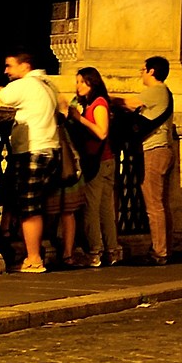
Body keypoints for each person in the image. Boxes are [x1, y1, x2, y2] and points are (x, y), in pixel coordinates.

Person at [0, 51, 63, 273]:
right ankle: (30, 252)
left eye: (10, 66)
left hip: (32, 150)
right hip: (49, 149)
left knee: (29, 207)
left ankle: (34, 259)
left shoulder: (24, 85)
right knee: (28, 203)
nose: (6, 71)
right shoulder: (46, 85)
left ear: (25, 66)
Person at [67, 67, 121, 268]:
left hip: (98, 161)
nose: (78, 86)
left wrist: (79, 119)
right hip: (106, 160)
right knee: (106, 209)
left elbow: (101, 132)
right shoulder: (97, 103)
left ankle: (94, 252)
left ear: (92, 83)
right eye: (77, 81)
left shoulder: (98, 104)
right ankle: (111, 250)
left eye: (82, 82)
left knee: (92, 208)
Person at [134, 56, 178, 264]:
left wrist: (107, 99)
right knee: (162, 204)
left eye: (142, 69)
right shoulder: (165, 92)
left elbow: (131, 103)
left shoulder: (155, 90)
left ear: (151, 71)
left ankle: (159, 252)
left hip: (154, 149)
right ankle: (165, 248)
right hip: (166, 149)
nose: (140, 73)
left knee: (154, 204)